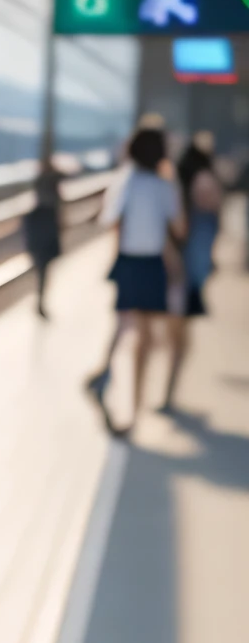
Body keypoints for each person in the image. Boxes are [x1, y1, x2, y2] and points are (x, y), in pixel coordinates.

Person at [86, 125, 183, 436]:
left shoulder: (125, 180)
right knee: (143, 337)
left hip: (129, 261)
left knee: (125, 325)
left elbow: (109, 220)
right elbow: (180, 228)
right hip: (152, 265)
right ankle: (133, 409)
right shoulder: (163, 186)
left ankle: (106, 376)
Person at [162, 131, 223, 412]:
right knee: (178, 336)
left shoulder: (179, 196)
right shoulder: (202, 216)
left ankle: (168, 391)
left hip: (177, 275)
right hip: (186, 276)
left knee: (174, 335)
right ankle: (168, 391)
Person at [23, 152, 62, 317]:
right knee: (43, 269)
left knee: (41, 268)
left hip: (39, 230)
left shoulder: (39, 182)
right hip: (46, 229)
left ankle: (39, 300)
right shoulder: (52, 183)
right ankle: (40, 300)